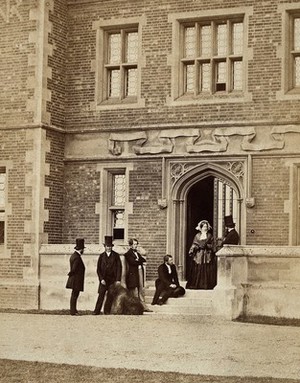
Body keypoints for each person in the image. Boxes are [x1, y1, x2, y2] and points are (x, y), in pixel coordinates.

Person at [93, 236, 122, 315]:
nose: (108, 248)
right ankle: (96, 311)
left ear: (111, 247)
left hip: (112, 279)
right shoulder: (101, 256)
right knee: (101, 295)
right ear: (104, 247)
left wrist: (118, 279)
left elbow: (119, 268)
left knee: (110, 296)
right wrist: (101, 279)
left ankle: (107, 311)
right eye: (107, 246)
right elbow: (98, 269)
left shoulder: (116, 256)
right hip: (103, 280)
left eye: (109, 246)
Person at [186, 220, 216, 290]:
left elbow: (213, 245)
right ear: (201, 227)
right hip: (199, 254)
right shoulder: (197, 235)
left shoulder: (209, 235)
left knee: (206, 268)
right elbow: (194, 244)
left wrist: (207, 246)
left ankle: (206, 285)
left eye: (206, 226)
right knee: (198, 267)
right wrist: (197, 247)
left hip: (207, 254)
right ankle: (197, 284)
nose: (205, 228)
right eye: (204, 226)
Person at [124, 238, 152, 312]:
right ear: (130, 245)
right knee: (134, 292)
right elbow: (132, 262)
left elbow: (144, 260)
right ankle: (136, 308)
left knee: (141, 290)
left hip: (139, 273)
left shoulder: (138, 254)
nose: (136, 246)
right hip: (133, 275)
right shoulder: (128, 254)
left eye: (136, 244)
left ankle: (144, 307)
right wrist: (139, 261)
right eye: (134, 244)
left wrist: (138, 261)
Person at [66, 238, 86, 316]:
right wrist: (71, 274)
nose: (83, 251)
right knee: (74, 295)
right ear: (81, 249)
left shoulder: (74, 255)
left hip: (75, 279)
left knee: (74, 295)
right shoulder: (77, 257)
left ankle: (74, 310)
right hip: (76, 280)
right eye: (83, 249)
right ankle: (73, 311)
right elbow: (74, 269)